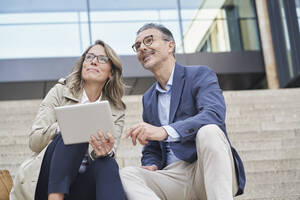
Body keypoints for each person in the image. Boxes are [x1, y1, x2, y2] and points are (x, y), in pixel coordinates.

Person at [120, 23, 246, 200]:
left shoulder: (200, 75)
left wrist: (165, 131)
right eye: (138, 45)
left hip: (206, 170)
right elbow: (152, 148)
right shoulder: (148, 98)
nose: (142, 48)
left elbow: (213, 115)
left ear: (170, 45)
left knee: (209, 130)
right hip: (172, 178)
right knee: (126, 174)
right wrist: (150, 164)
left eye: (149, 40)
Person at [10, 40, 126, 200]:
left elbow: (110, 151)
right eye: (89, 57)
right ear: (82, 64)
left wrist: (105, 151)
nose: (93, 61)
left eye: (102, 59)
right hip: (47, 179)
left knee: (108, 163)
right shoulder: (59, 91)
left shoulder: (116, 109)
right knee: (73, 129)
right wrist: (61, 127)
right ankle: (56, 197)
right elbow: (34, 141)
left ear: (111, 72)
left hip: (83, 184)